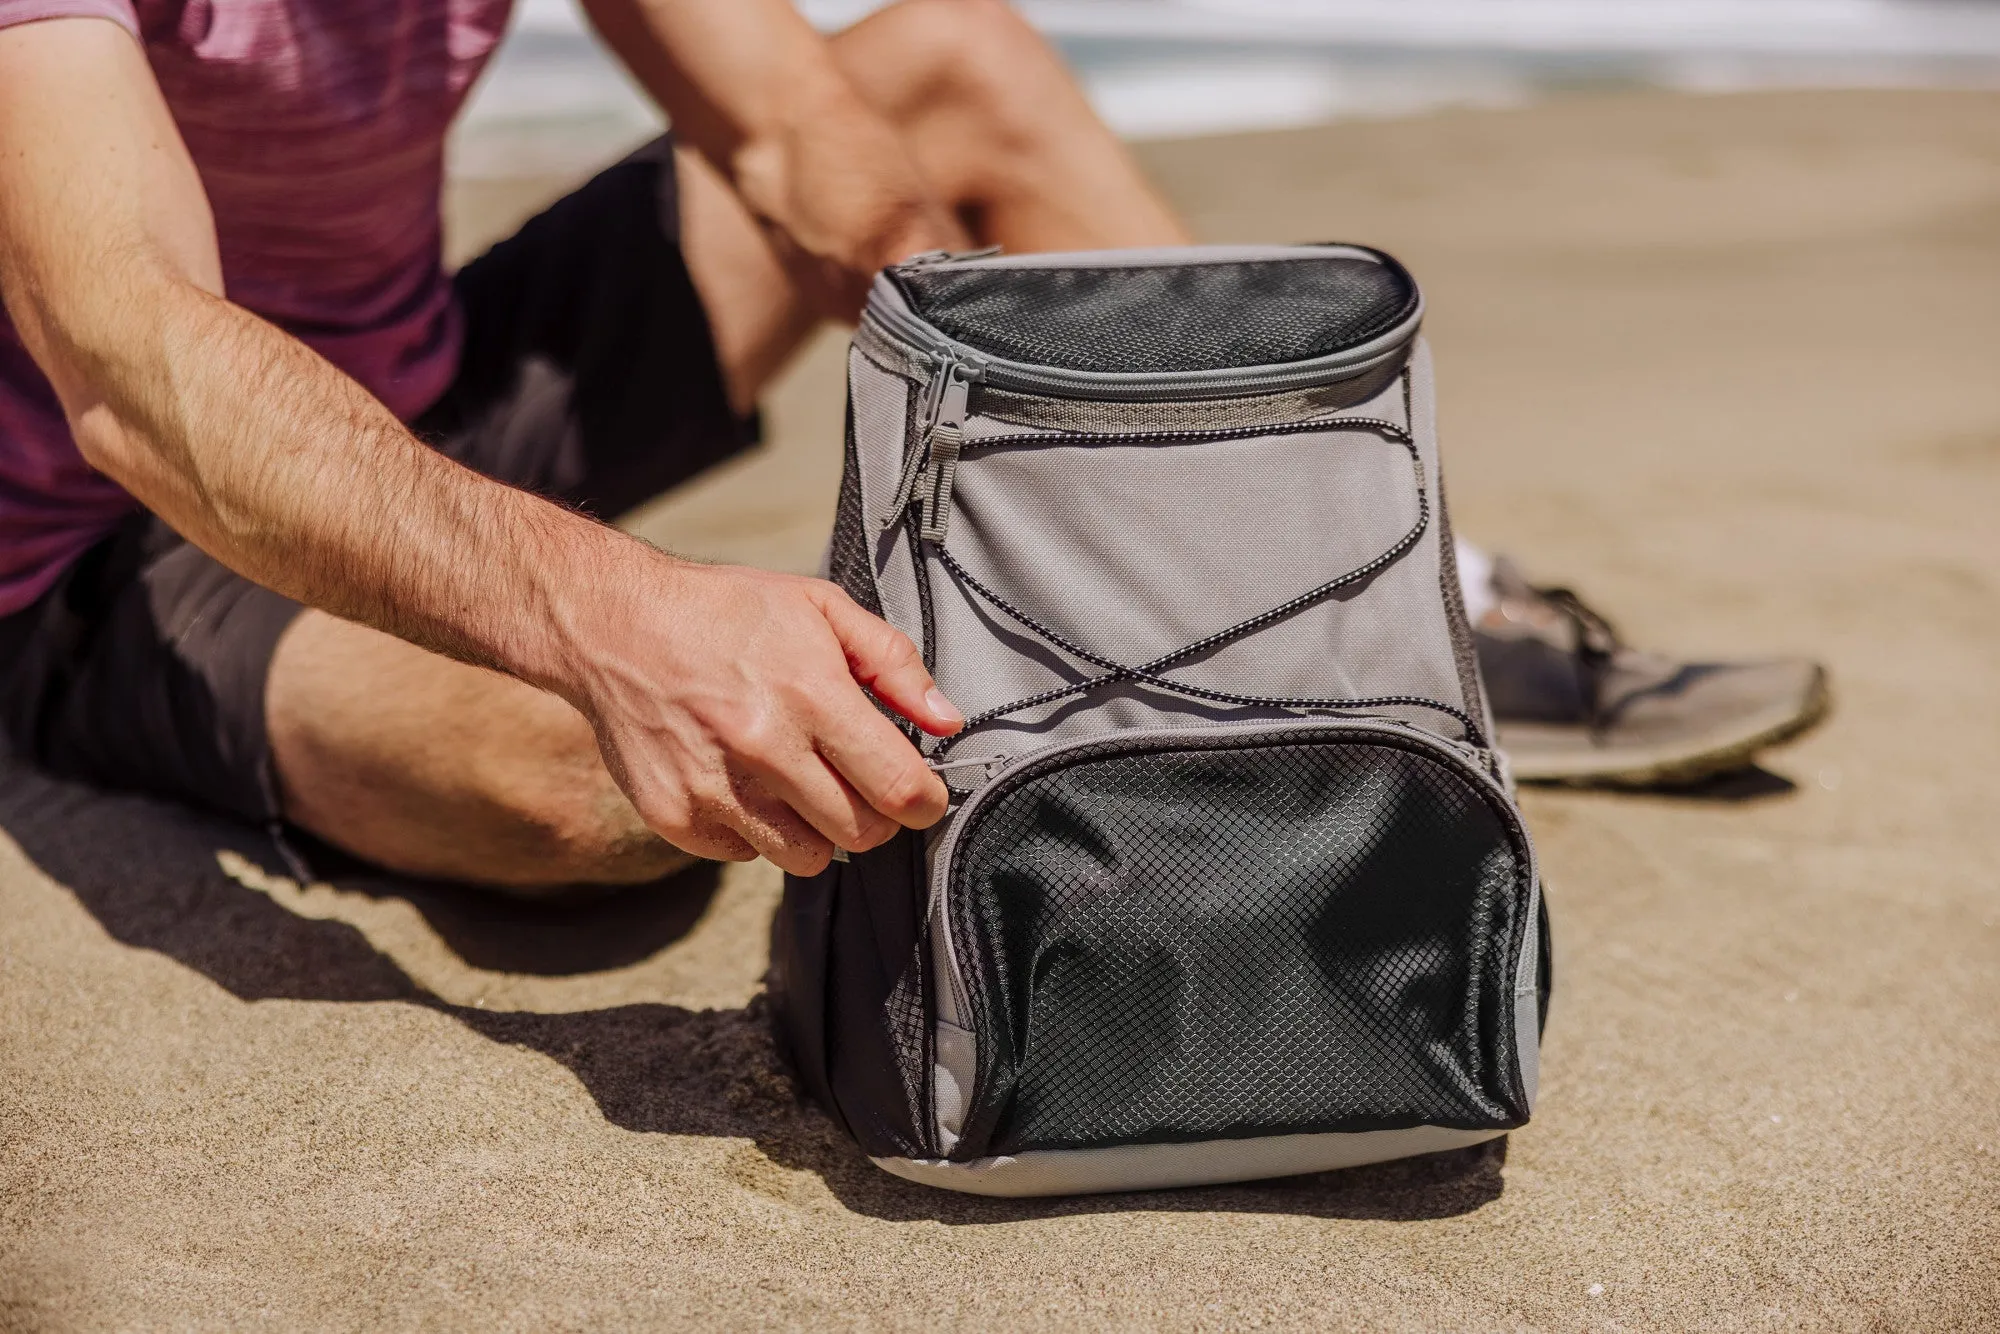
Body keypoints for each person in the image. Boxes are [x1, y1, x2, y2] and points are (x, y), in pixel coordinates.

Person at [0, 0, 1825, 895]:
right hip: (107, 541)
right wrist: (625, 617)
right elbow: (136, 367)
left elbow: (817, 146)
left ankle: (1360, 610)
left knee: (946, 74)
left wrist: (1074, 465)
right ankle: (1095, 700)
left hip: (430, 382)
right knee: (584, 785)